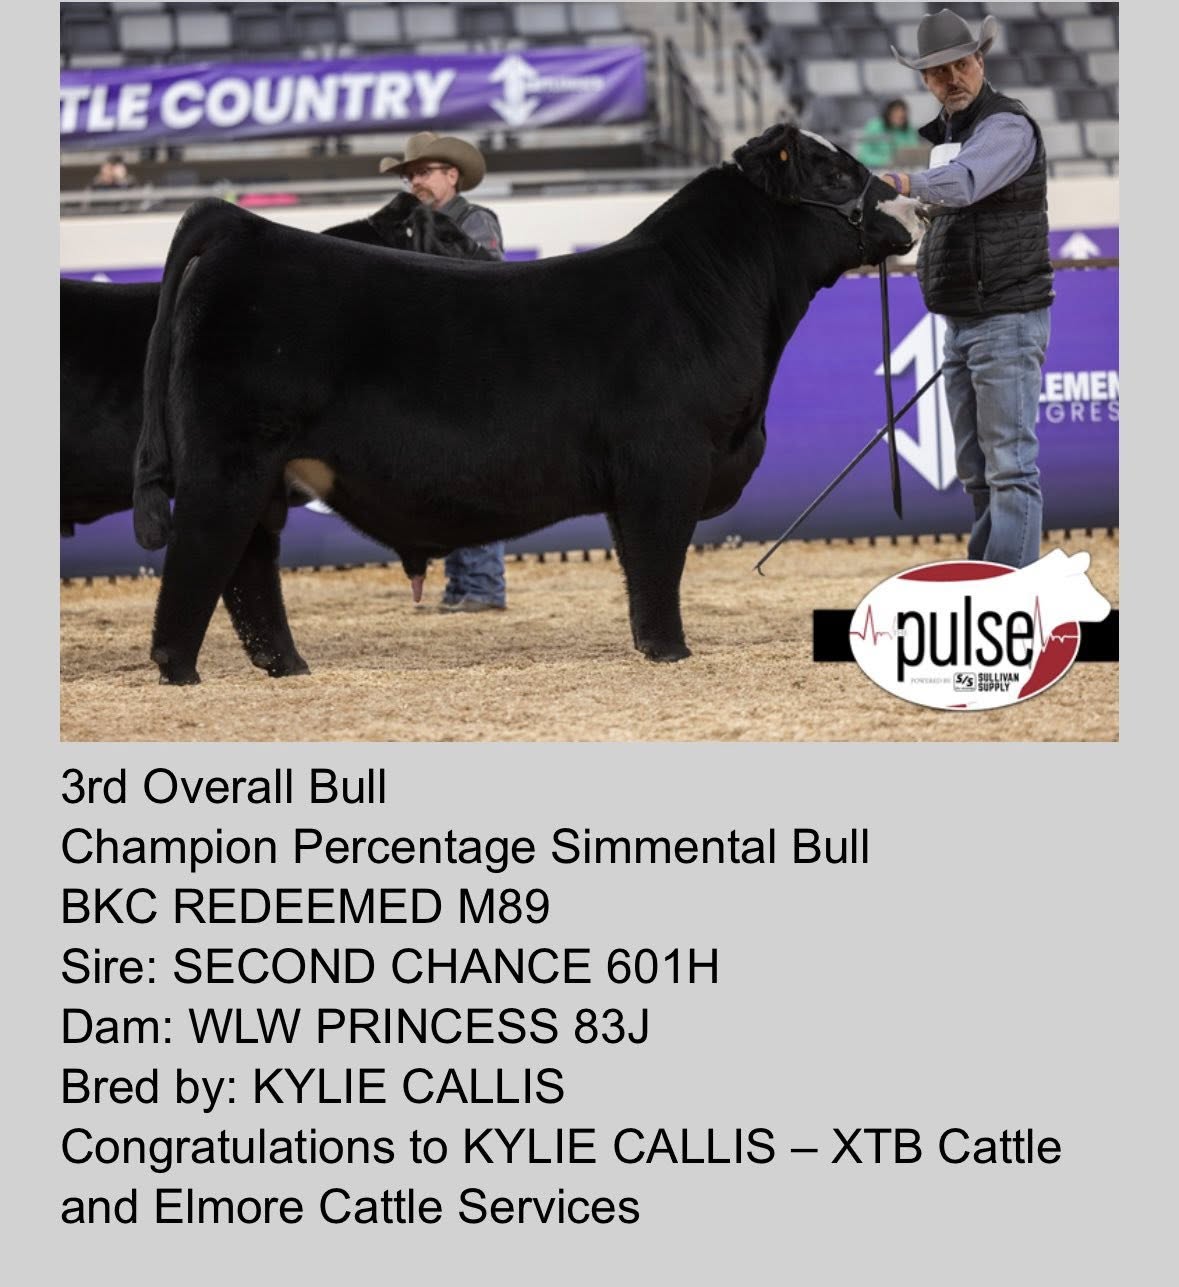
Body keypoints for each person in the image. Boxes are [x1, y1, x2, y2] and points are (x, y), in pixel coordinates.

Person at [883, 10, 1053, 569]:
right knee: (980, 470)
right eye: (938, 71)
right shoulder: (951, 136)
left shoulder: (1006, 127)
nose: (952, 78)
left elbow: (962, 183)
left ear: (980, 60)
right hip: (963, 318)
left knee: (1008, 467)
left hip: (1005, 314)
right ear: (925, 80)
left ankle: (1009, 590)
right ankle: (987, 575)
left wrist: (899, 183)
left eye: (961, 64)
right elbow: (944, 208)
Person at [379, 132, 508, 612]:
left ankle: (483, 585)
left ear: (452, 175)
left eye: (424, 172)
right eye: (410, 175)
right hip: (438, 367)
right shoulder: (413, 227)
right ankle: (463, 584)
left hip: (472, 365)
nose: (416, 181)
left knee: (474, 476)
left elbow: (483, 282)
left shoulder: (475, 221)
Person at [855, 99, 921, 169]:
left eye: (902, 116)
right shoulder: (875, 126)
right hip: (876, 169)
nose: (900, 114)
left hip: (902, 169)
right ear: (888, 113)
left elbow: (915, 150)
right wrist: (886, 161)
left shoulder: (908, 129)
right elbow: (864, 156)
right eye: (896, 112)